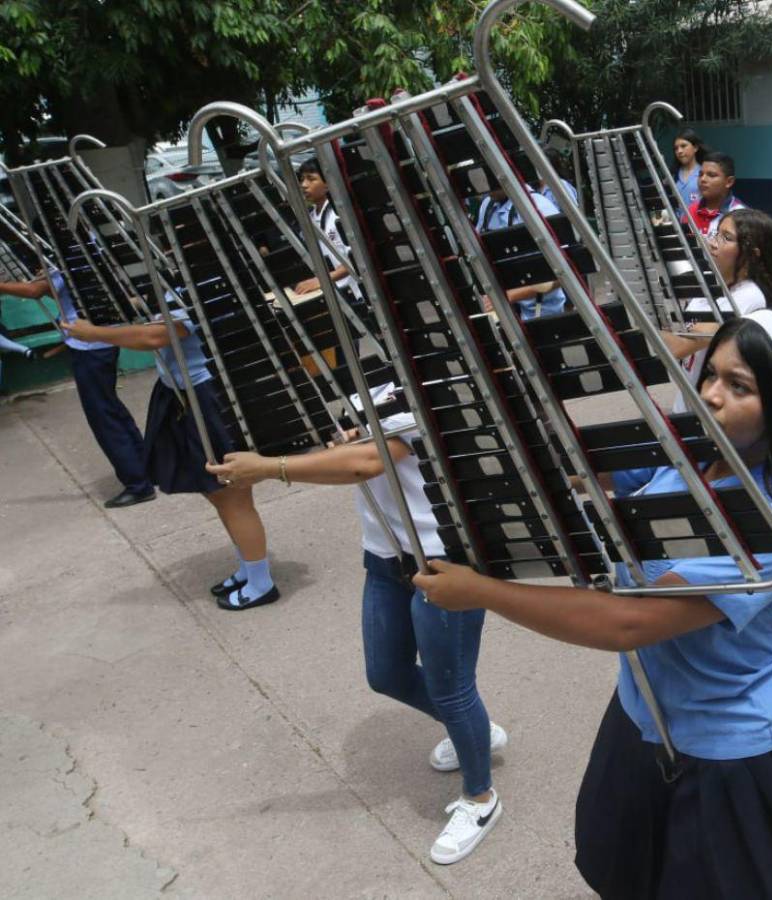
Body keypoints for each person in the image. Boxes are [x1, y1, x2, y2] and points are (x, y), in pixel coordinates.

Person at [414, 308, 772, 899]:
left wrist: (481, 592)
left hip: (729, 755)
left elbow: (628, 621)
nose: (712, 396)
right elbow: (576, 464)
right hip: (643, 716)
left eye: (739, 386)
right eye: (711, 375)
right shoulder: (689, 452)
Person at [206, 383, 508, 864]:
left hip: (442, 560)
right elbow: (360, 448)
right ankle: (474, 730)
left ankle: (480, 798)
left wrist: (268, 468)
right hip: (385, 555)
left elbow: (366, 463)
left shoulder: (427, 375)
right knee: (385, 674)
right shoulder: (370, 378)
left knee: (452, 688)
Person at [60, 303, 279, 609]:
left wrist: (94, 333)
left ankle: (261, 582)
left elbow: (158, 336)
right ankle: (250, 568)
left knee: (232, 495)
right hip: (182, 392)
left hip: (203, 394)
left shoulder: (185, 278)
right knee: (216, 493)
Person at [0, 270, 155, 508]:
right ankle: (145, 469)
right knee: (111, 408)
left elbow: (34, 291)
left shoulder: (63, 255)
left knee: (103, 415)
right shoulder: (80, 250)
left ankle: (137, 483)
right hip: (99, 340)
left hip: (89, 346)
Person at [662, 208, 772, 413]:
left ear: (751, 255)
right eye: (716, 233)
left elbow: (678, 346)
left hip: (714, 417)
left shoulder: (748, 297)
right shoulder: (715, 281)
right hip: (688, 402)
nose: (712, 243)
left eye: (726, 238)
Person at [475, 184, 569, 319]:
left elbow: (564, 272)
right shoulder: (488, 205)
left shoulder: (539, 207)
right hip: (503, 309)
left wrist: (507, 296)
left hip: (539, 311)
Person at [294, 158, 362, 301]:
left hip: (356, 293)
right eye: (302, 180)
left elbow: (356, 260)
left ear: (327, 184)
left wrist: (321, 281)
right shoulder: (309, 218)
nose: (304, 185)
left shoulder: (338, 214)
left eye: (311, 179)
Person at [686, 153, 746, 238]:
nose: (703, 179)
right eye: (700, 174)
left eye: (711, 175)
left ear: (729, 182)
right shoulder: (691, 210)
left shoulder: (740, 214)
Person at [673, 128, 705, 207]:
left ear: (695, 148)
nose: (679, 151)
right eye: (676, 148)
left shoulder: (704, 173)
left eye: (683, 146)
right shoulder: (672, 175)